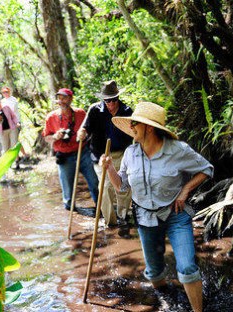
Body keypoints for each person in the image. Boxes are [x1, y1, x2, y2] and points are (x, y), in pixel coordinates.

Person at [100, 102, 213, 312]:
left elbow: (206, 169)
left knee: (187, 267)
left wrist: (186, 190)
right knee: (154, 272)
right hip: (145, 217)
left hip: (176, 215)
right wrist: (108, 169)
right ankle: (168, 300)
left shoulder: (178, 150)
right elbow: (121, 187)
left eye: (135, 123)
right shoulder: (130, 153)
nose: (131, 127)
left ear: (149, 127)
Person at [77, 80, 133, 237]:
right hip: (102, 155)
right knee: (105, 188)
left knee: (123, 186)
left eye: (114, 99)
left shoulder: (127, 111)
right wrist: (81, 133)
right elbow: (84, 128)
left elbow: (136, 132)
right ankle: (110, 222)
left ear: (118, 98)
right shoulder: (94, 110)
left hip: (123, 154)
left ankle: (123, 217)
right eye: (107, 100)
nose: (111, 104)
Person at [42, 88, 99, 214]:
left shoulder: (80, 113)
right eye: (59, 98)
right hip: (64, 156)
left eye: (64, 98)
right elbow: (46, 137)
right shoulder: (51, 117)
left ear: (71, 99)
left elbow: (90, 130)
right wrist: (55, 136)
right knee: (68, 192)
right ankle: (71, 212)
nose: (61, 101)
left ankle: (100, 207)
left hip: (83, 152)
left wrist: (85, 134)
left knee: (94, 181)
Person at [1, 86, 29, 166]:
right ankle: (22, 155)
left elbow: (11, 111)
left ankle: (19, 158)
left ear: (9, 92)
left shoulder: (13, 100)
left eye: (7, 92)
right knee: (13, 141)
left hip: (15, 122)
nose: (5, 93)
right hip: (7, 124)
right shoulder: (2, 101)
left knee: (14, 141)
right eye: (3, 92)